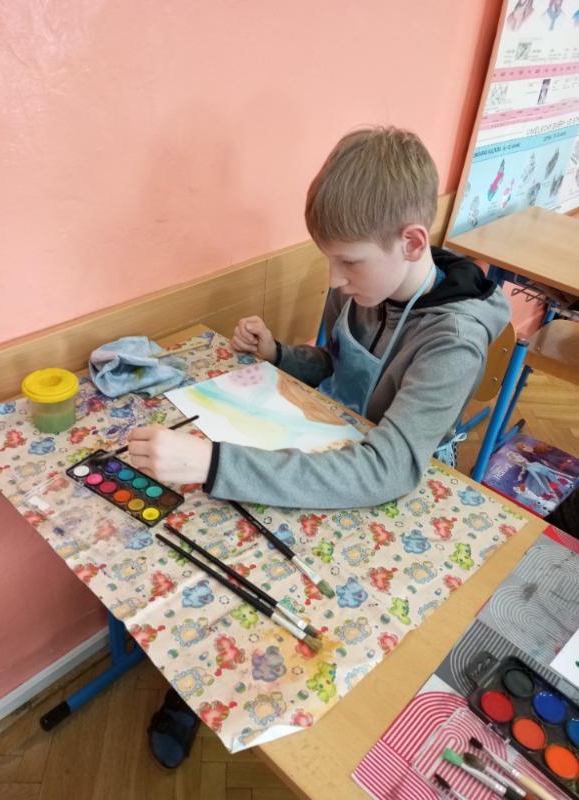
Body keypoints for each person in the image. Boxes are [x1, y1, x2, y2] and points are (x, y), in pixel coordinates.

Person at [130, 126, 511, 767]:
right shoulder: (362, 282)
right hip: (326, 443)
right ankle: (200, 685)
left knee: (305, 586)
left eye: (347, 262)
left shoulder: (453, 339)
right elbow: (333, 363)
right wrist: (282, 355)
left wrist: (216, 462)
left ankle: (300, 710)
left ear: (412, 242)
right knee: (229, 540)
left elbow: (390, 467)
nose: (333, 278)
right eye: (328, 260)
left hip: (394, 480)